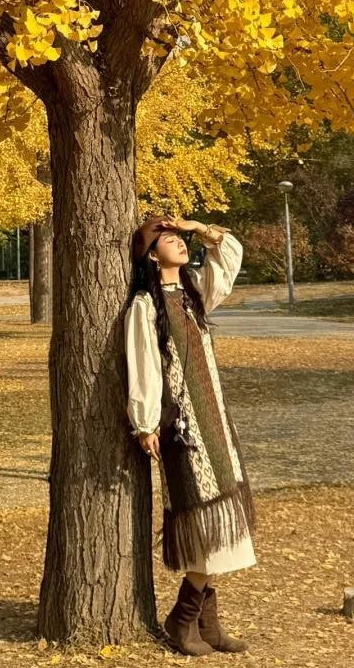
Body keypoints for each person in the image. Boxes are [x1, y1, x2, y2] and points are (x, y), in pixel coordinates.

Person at [125, 215, 255, 656]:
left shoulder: (195, 292)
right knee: (204, 523)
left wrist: (199, 227)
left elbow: (231, 255)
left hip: (214, 420)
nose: (178, 241)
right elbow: (142, 365)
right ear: (149, 254)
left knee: (222, 523)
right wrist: (144, 424)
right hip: (182, 429)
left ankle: (207, 623)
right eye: (167, 238)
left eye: (179, 237)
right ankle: (182, 621)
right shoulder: (147, 305)